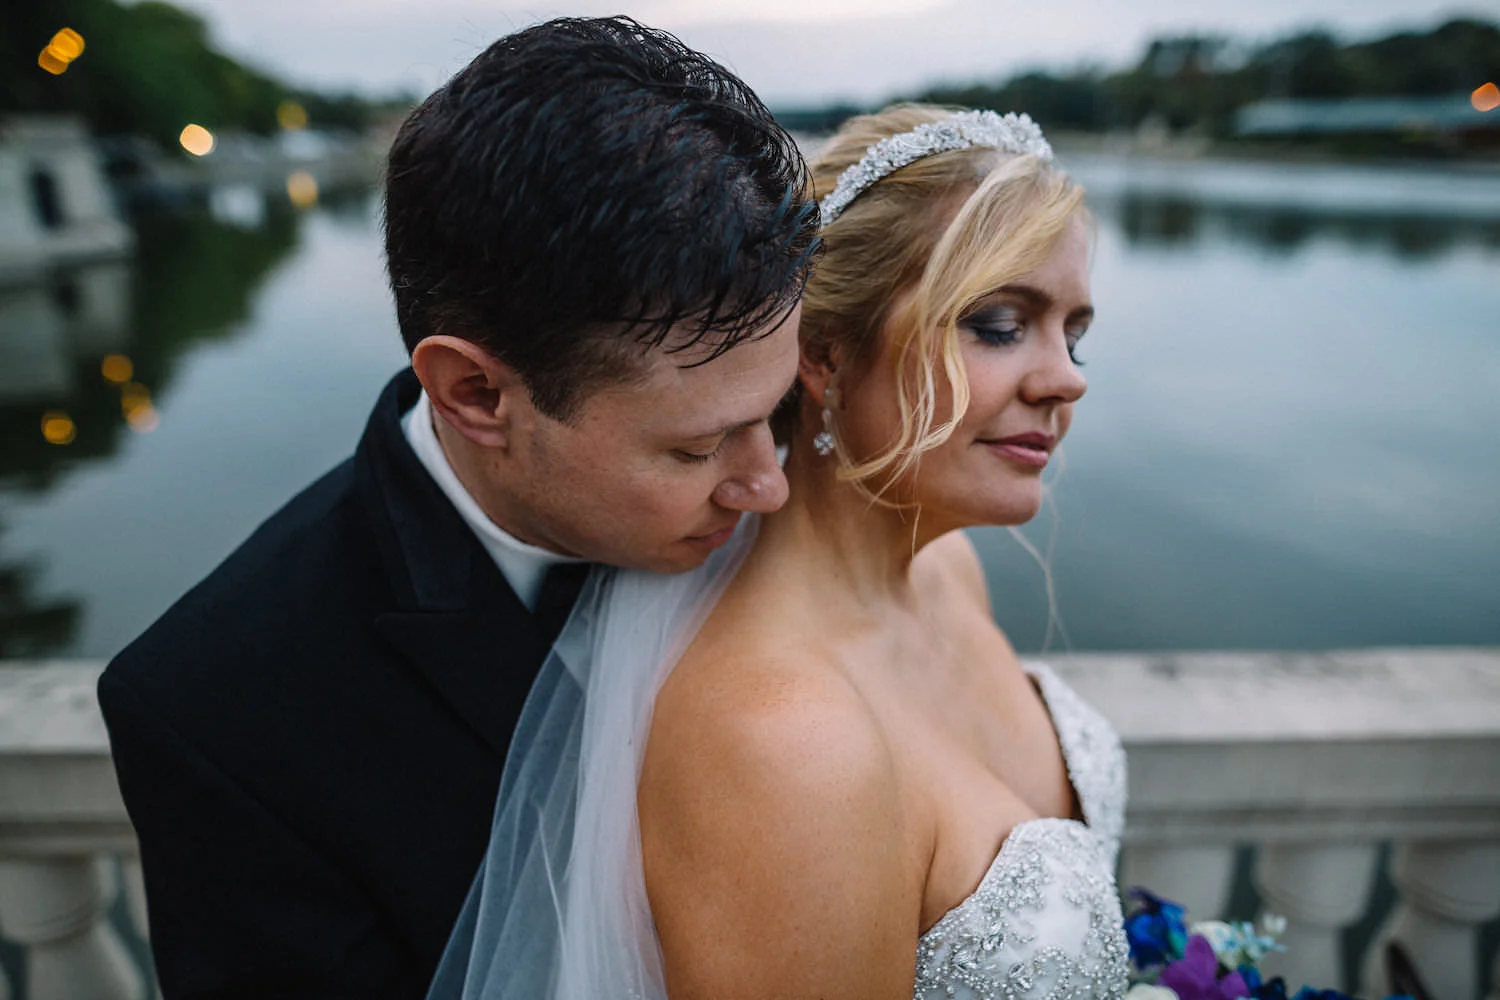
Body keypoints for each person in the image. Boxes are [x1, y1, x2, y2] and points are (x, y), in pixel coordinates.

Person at [97, 17, 819, 998]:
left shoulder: (807, 516)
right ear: (476, 395)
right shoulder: (215, 710)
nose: (770, 486)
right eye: (694, 448)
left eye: (777, 412)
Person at [432, 106, 1128, 999]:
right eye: (998, 323)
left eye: (1074, 334)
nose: (1065, 378)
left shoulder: (947, 571)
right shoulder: (782, 737)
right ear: (826, 357)